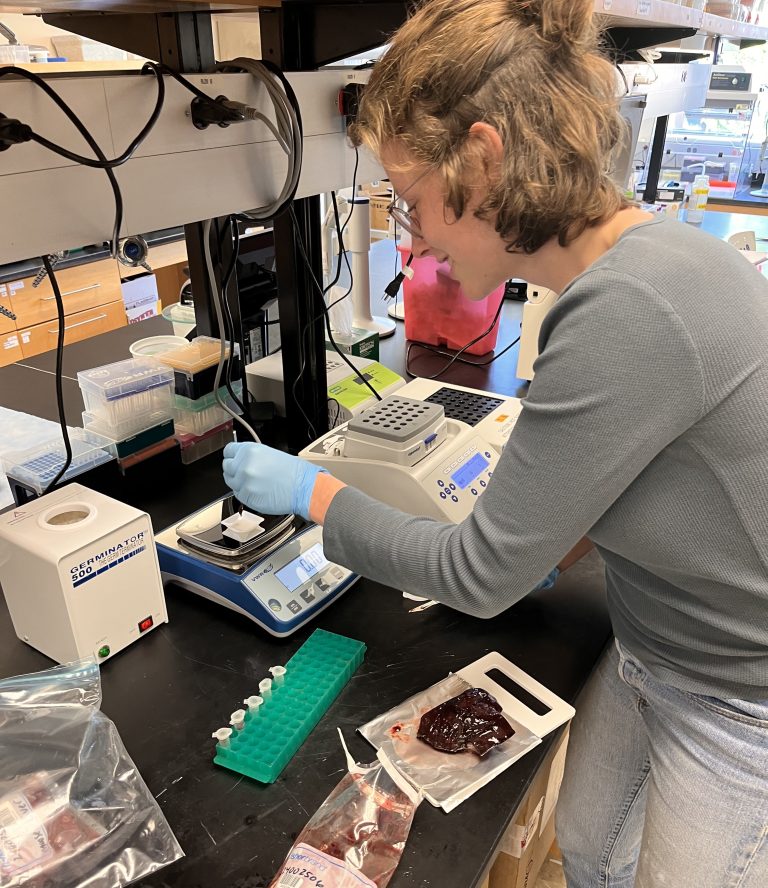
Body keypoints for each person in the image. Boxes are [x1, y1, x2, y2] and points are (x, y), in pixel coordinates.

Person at [223, 1, 768, 884]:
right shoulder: (634, 266)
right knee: (592, 852)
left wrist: (313, 495)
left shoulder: (628, 309)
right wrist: (547, 537)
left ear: (482, 159)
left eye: (410, 198)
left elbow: (480, 578)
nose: (410, 231)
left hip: (743, 692)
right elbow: (653, 475)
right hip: (655, 639)